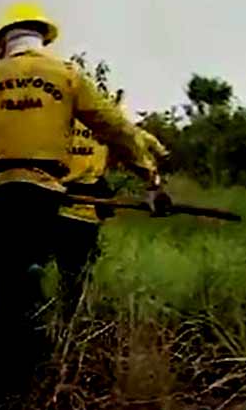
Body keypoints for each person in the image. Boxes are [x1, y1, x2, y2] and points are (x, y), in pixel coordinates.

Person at [0, 1, 166, 410]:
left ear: (2, 45)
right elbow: (114, 127)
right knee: (20, 286)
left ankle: (7, 386)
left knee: (11, 284)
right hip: (40, 192)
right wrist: (149, 177)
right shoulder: (66, 76)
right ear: (42, 39)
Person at [55, 122, 168, 320]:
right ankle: (65, 325)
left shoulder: (52, 109)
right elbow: (132, 151)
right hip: (73, 207)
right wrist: (153, 185)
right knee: (73, 275)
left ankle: (61, 326)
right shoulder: (102, 119)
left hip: (55, 202)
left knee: (56, 272)